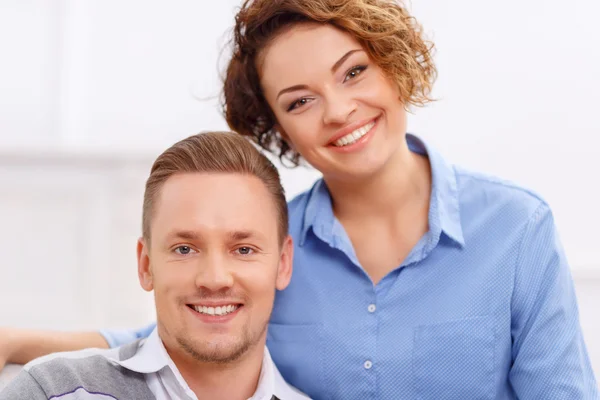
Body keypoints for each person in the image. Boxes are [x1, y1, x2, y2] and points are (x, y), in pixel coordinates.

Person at [1, 0, 598, 398]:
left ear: (392, 65)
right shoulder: (267, 254)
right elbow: (160, 336)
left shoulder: (517, 229)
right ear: (275, 128)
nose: (339, 111)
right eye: (299, 101)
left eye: (353, 72)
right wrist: (15, 341)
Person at [0, 132, 309, 400]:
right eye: (185, 249)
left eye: (243, 249)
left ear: (282, 264)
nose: (215, 278)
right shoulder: (53, 392)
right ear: (146, 265)